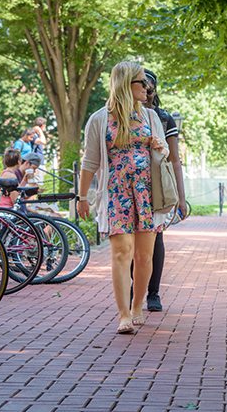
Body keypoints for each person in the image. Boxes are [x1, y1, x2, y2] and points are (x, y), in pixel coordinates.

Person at [77, 61, 169, 334]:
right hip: (116, 193)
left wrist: (159, 146)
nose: (148, 87)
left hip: (146, 193)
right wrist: (82, 197)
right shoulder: (99, 119)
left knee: (143, 256)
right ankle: (123, 314)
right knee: (121, 253)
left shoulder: (151, 117)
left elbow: (164, 156)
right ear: (126, 85)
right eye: (142, 82)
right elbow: (89, 162)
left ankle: (138, 305)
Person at [132, 68, 189, 312]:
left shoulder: (164, 118)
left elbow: (175, 159)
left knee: (155, 238)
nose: (146, 94)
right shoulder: (123, 115)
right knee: (129, 240)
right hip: (129, 184)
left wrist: (181, 198)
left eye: (150, 89)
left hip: (157, 186)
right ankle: (136, 289)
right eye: (142, 87)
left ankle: (152, 292)